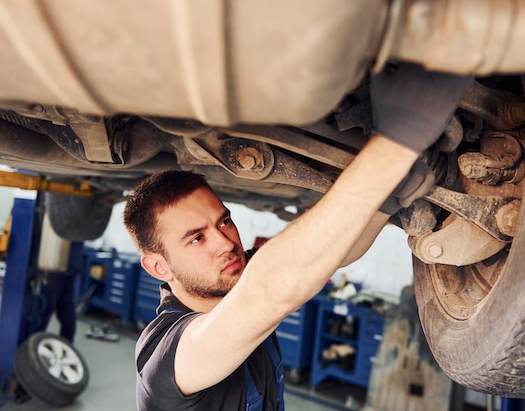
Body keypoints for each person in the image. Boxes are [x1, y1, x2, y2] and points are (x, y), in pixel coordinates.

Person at [122, 63, 473, 411]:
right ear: (158, 267)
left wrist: (386, 201)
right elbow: (266, 293)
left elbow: (325, 257)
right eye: (196, 238)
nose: (225, 242)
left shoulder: (234, 285)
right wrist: (396, 142)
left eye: (224, 221)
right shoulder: (167, 358)